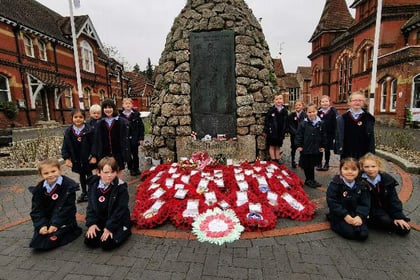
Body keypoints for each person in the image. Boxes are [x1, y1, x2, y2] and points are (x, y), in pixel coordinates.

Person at [28, 159, 82, 250]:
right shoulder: (39, 189)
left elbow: (67, 209)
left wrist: (55, 224)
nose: (50, 175)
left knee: (48, 242)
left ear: (59, 170)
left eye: (53, 171)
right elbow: (36, 210)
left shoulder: (68, 186)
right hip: (47, 221)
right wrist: (41, 225)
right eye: (46, 173)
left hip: (64, 221)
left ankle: (72, 230)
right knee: (37, 241)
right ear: (41, 175)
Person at [84, 157, 132, 250]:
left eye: (113, 172)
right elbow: (90, 207)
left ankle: (125, 230)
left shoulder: (121, 188)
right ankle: (101, 229)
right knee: (90, 241)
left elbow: (120, 210)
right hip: (101, 220)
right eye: (106, 172)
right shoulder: (93, 185)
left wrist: (109, 227)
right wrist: (91, 224)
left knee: (107, 244)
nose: (109, 175)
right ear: (98, 172)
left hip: (117, 221)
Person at [359, 153, 410, 235]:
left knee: (404, 230)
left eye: (373, 166)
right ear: (362, 167)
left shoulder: (386, 179)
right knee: (385, 220)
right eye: (366, 167)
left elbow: (393, 199)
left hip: (384, 206)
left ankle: (393, 222)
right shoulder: (359, 180)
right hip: (370, 209)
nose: (370, 169)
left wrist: (399, 217)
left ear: (378, 166)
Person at [326, 157, 370, 241]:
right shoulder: (335, 184)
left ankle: (356, 223)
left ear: (358, 171)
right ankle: (332, 220)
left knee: (363, 234)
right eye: (346, 169)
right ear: (341, 170)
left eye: (354, 169)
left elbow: (365, 202)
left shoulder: (362, 185)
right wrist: (345, 215)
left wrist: (360, 216)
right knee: (350, 232)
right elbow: (332, 202)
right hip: (340, 214)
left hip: (355, 212)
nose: (350, 172)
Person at [62, 109, 96, 203]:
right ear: (72, 118)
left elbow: (94, 144)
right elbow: (65, 146)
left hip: (88, 158)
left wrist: (94, 156)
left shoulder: (89, 130)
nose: (78, 119)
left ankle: (91, 192)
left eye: (80, 117)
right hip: (77, 159)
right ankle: (84, 192)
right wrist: (67, 158)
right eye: (75, 117)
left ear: (84, 118)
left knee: (89, 175)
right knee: (81, 176)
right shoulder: (69, 131)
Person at [92, 99, 130, 174]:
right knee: (107, 172)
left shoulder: (121, 122)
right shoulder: (99, 123)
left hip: (118, 152)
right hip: (104, 153)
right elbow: (96, 140)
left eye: (110, 107)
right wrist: (95, 155)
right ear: (103, 110)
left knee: (118, 171)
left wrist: (126, 153)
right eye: (105, 108)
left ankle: (118, 185)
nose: (108, 110)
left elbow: (125, 139)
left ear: (113, 108)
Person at [335, 91, 375, 160]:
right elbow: (339, 135)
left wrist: (371, 151)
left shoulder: (368, 118)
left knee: (361, 169)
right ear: (349, 102)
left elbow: (371, 136)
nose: (357, 102)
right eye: (355, 100)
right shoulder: (342, 118)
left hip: (363, 151)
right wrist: (339, 148)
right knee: (348, 169)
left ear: (363, 102)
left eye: (360, 100)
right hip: (347, 151)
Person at [295, 103, 327, 188]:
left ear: (317, 111)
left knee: (312, 164)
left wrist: (323, 146)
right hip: (306, 148)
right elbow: (299, 135)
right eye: (309, 112)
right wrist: (298, 145)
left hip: (315, 148)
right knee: (306, 164)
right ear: (306, 113)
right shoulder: (303, 124)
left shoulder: (321, 123)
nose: (312, 113)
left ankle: (312, 179)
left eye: (313, 111)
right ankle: (308, 180)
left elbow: (323, 135)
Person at [119, 98, 145, 176]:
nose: (127, 105)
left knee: (135, 154)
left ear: (132, 105)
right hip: (125, 140)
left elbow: (141, 127)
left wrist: (141, 138)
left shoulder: (136, 115)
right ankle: (131, 169)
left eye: (129, 103)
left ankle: (136, 168)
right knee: (128, 155)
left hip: (135, 139)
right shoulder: (120, 117)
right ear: (123, 105)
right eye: (126, 103)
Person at [263, 92, 289, 163]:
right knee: (272, 146)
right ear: (274, 101)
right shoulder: (271, 110)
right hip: (272, 132)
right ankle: (273, 159)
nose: (278, 101)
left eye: (280, 99)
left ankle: (277, 159)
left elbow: (287, 121)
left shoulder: (285, 111)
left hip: (280, 132)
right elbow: (267, 121)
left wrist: (286, 130)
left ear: (283, 100)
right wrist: (266, 131)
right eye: (276, 99)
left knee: (278, 146)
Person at [316, 95, 338, 171]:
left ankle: (327, 163)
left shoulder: (333, 112)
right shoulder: (318, 112)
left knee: (327, 150)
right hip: (320, 134)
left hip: (329, 134)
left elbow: (335, 124)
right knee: (320, 149)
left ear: (329, 102)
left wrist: (335, 135)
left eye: (326, 101)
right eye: (323, 101)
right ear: (320, 103)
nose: (324, 103)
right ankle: (319, 163)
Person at [287, 100, 306, 168]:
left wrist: (300, 133)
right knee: (293, 148)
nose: (298, 106)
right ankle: (293, 161)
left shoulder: (305, 115)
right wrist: (295, 132)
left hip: (302, 136)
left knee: (302, 149)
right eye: (296, 105)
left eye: (299, 105)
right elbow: (290, 125)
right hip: (294, 135)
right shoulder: (291, 115)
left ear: (302, 106)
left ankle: (302, 162)